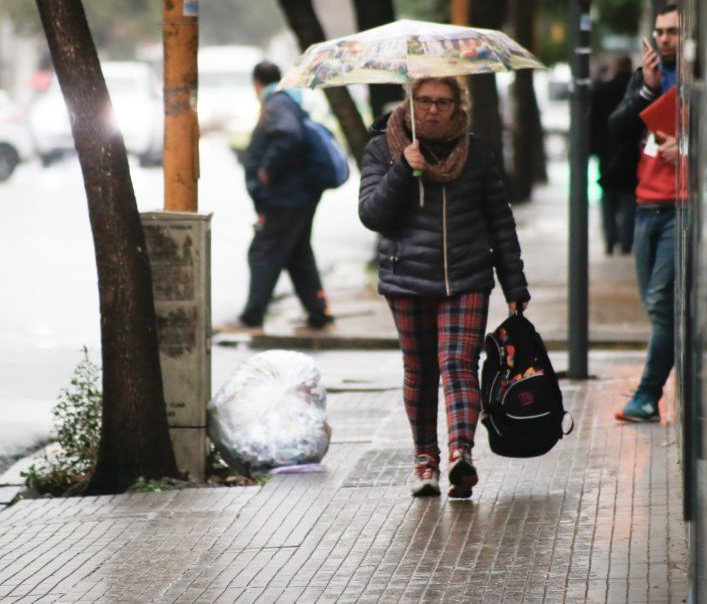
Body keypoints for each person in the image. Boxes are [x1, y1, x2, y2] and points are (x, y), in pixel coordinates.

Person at [358, 76, 530, 498]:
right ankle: (425, 462)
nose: (433, 110)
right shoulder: (383, 148)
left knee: (457, 363)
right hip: (406, 278)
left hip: (466, 276)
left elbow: (499, 221)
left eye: (443, 102)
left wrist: (514, 281)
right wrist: (403, 169)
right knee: (419, 372)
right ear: (410, 104)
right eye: (424, 101)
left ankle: (460, 456)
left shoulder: (477, 152)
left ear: (458, 106)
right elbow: (371, 215)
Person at [219, 61, 333, 335]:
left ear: (256, 82)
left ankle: (252, 318)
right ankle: (319, 316)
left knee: (263, 252)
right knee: (297, 254)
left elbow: (288, 136)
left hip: (286, 197)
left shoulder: (277, 104)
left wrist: (267, 171)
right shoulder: (288, 101)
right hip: (297, 195)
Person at [607, 3, 680, 423]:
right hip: (644, 206)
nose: (665, 39)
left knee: (660, 304)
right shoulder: (645, 79)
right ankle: (651, 392)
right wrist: (647, 89)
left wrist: (686, 150)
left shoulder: (699, 81)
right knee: (654, 304)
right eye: (660, 31)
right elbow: (615, 129)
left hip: (679, 208)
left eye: (673, 32)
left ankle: (647, 396)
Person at [590, 54, 638, 255]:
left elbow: (592, 121)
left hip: (606, 151)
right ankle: (626, 241)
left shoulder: (602, 89)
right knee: (628, 195)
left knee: (608, 194)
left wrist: (592, 148)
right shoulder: (636, 91)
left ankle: (610, 239)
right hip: (631, 151)